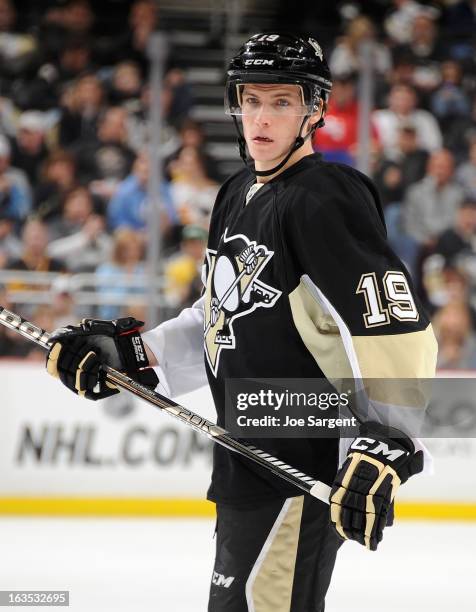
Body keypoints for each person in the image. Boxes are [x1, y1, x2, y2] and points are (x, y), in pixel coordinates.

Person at [44, 33, 438, 611]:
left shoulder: (325, 197)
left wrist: (390, 445)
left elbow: (391, 328)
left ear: (316, 109)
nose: (262, 117)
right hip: (243, 459)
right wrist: (138, 354)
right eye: (251, 100)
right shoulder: (236, 193)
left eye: (282, 101)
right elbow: (220, 311)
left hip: (299, 465)